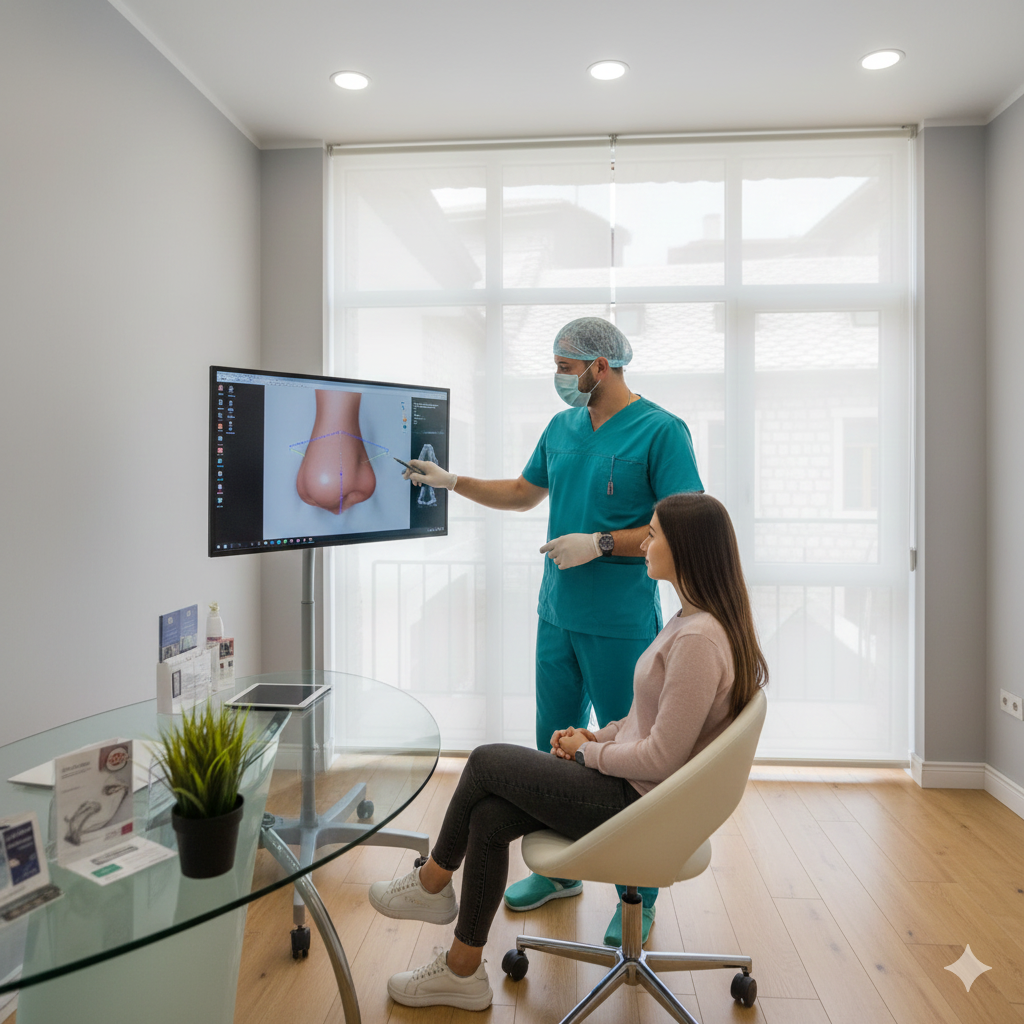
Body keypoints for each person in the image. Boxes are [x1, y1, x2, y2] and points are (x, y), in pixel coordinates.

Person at [366, 493, 768, 1011]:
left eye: (653, 534)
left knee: (486, 761)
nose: (644, 542)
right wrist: (597, 737)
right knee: (489, 816)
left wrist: (587, 757)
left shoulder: (698, 641)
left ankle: (430, 881)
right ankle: (462, 972)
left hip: (637, 806)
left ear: (686, 549)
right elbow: (648, 721)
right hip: (635, 794)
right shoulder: (693, 621)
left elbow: (663, 759)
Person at [401, 317, 703, 938]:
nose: (560, 378)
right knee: (553, 750)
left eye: (567, 367)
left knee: (627, 761)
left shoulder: (662, 431)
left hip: (620, 621)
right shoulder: (562, 428)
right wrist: (452, 482)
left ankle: (636, 892)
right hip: (557, 615)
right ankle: (562, 872)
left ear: (601, 365)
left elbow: (682, 525)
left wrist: (599, 542)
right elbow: (521, 491)